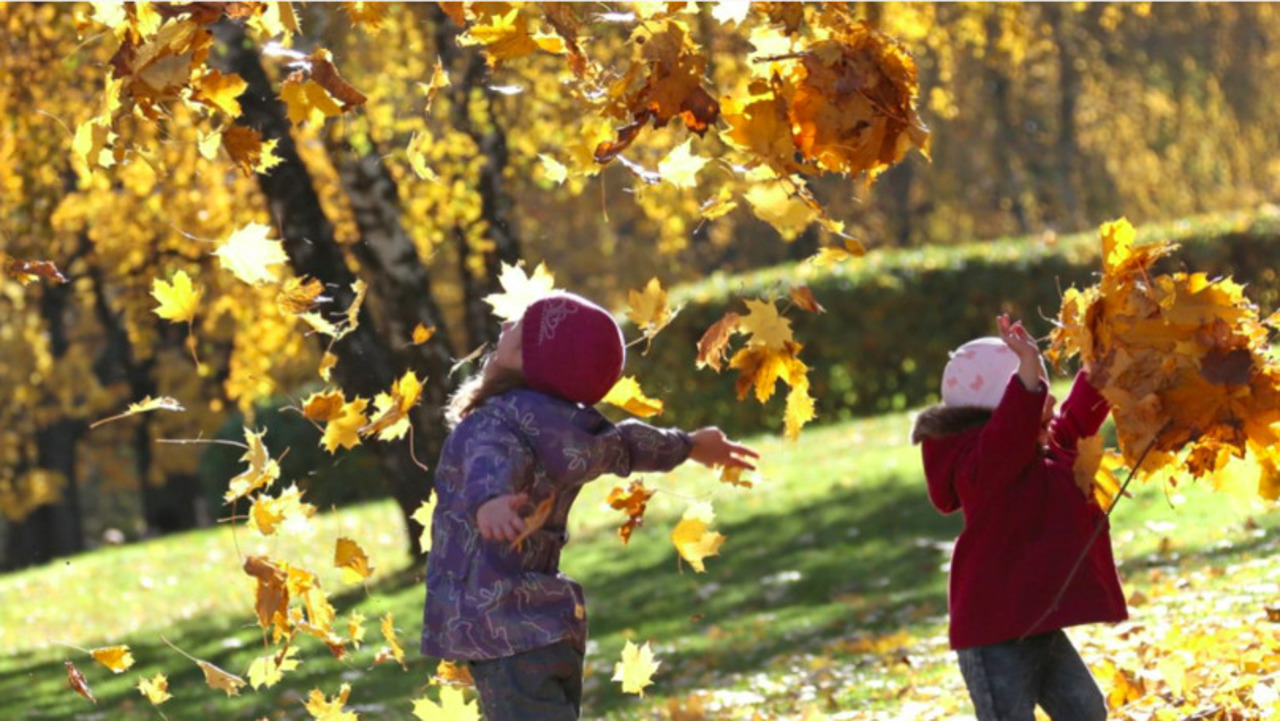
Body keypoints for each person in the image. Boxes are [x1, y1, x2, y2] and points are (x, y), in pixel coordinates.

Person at [421, 291, 758, 720]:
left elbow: (489, 456)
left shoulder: (493, 422)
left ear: (531, 360)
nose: (504, 327)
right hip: (551, 623)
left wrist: (490, 500)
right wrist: (689, 445)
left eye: (519, 326)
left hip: (502, 624)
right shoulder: (575, 432)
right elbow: (632, 445)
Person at [910, 314, 1128, 720]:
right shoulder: (983, 470)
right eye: (1034, 388)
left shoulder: (1037, 454)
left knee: (1086, 710)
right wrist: (1027, 373)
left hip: (1037, 623)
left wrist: (1095, 379)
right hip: (992, 635)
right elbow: (1006, 438)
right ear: (1001, 410)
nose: (1050, 401)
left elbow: (1073, 425)